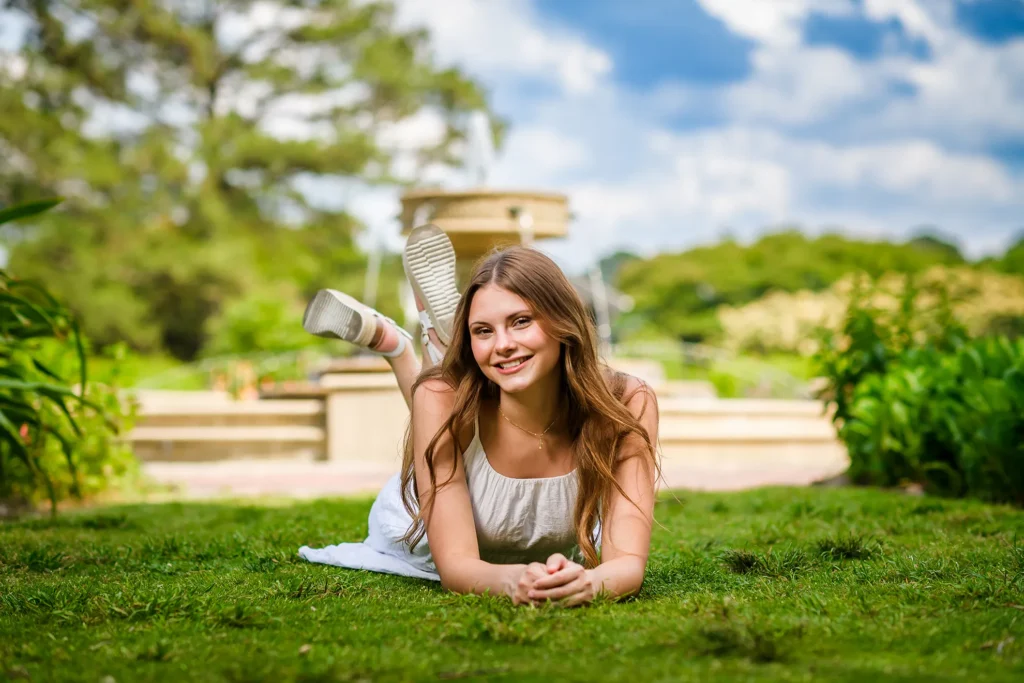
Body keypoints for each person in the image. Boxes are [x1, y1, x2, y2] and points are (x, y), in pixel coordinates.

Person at [298, 225, 660, 607]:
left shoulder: (626, 404)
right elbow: (456, 566)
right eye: (483, 331)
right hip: (423, 533)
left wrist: (588, 584)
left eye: (521, 321)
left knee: (443, 393)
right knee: (437, 393)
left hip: (527, 527)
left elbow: (627, 564)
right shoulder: (440, 398)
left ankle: (427, 341)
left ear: (563, 321)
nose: (503, 345)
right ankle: (402, 346)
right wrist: (515, 581)